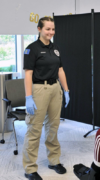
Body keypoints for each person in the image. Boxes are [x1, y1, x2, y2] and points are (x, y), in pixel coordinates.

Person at [23, 17, 70, 180]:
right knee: (34, 129)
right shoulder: (32, 49)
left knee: (53, 126)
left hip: (55, 88)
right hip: (39, 90)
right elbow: (28, 74)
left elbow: (61, 70)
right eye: (47, 29)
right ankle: (29, 168)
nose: (50, 32)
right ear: (39, 29)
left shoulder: (55, 48)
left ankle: (54, 160)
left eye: (52, 29)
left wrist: (66, 90)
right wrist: (28, 97)